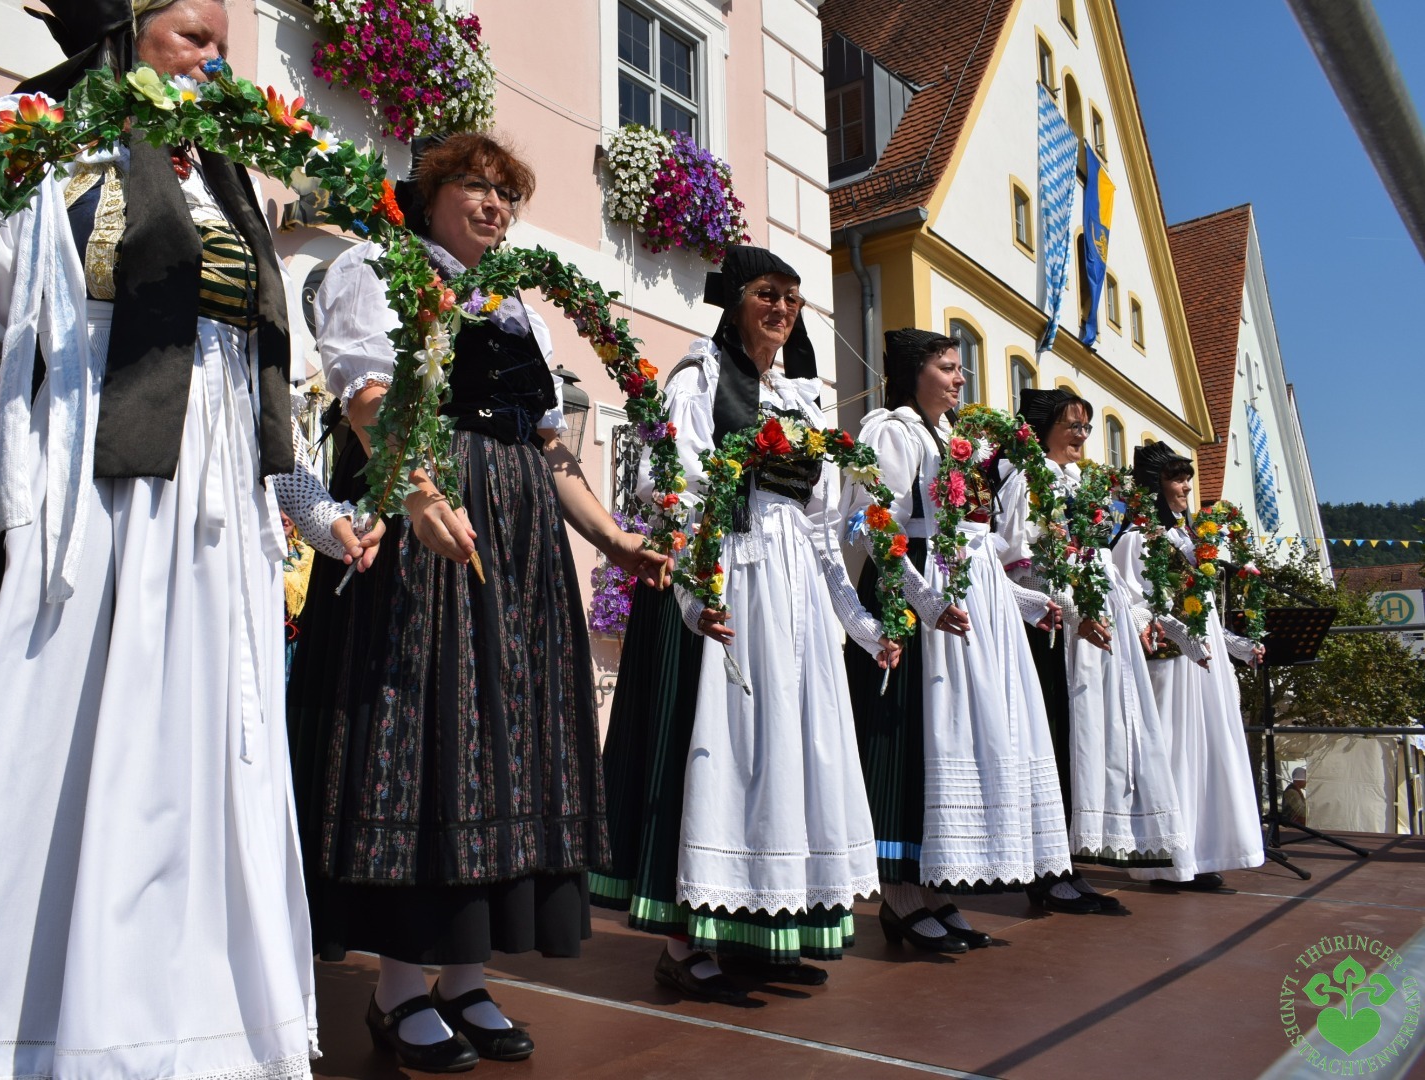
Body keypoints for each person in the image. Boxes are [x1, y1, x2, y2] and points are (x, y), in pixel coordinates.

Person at [0, 2, 322, 1077]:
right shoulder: (36, 130)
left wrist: (312, 506)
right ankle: (22, 1025)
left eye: (224, 39)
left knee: (195, 759)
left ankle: (190, 1027)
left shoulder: (227, 178)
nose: (217, 56)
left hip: (212, 515)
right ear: (124, 24)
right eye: (194, 33)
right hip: (97, 489)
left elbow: (249, 372)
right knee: (70, 744)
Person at [279, 133, 669, 1072]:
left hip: (520, 540)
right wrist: (421, 494)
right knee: (425, 734)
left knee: (504, 745)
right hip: (430, 518)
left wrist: (611, 537)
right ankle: (397, 987)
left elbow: (548, 447)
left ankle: (464, 974)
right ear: (428, 192)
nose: (494, 205)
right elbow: (368, 398)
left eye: (507, 193)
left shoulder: (514, 307)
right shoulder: (376, 268)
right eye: (475, 186)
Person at [593, 246, 896, 1003]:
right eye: (767, 293)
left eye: (791, 297)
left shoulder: (799, 400)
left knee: (786, 752)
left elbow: (820, 524)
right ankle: (683, 945)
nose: (782, 308)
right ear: (735, 302)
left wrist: (860, 624)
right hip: (724, 572)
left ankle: (763, 931)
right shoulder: (698, 377)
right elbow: (662, 483)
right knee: (714, 749)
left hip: (790, 590)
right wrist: (698, 589)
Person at [842, 328, 1071, 955]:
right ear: (913, 372)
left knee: (955, 738)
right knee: (911, 736)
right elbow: (872, 523)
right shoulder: (892, 431)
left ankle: (937, 890)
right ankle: (900, 897)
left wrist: (1026, 604)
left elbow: (976, 548)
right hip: (912, 593)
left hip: (959, 598)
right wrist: (922, 600)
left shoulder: (952, 439)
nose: (959, 378)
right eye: (947, 367)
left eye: (958, 367)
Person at [992, 389, 1187, 914]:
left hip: (1098, 622)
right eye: (1072, 425)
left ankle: (1069, 862)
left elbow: (1101, 558)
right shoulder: (1026, 481)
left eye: (1086, 426)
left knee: (1094, 738)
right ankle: (1045, 868)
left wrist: (1132, 615)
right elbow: (1016, 562)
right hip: (1053, 627)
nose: (1081, 435)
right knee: (1058, 738)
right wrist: (1072, 611)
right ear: (1044, 429)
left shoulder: (1082, 482)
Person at [1112, 442, 1266, 891]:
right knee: (1175, 750)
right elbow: (1135, 606)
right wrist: (1182, 636)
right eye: (1175, 479)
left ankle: (1200, 850)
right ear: (1153, 487)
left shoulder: (1188, 539)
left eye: (1187, 479)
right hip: (1171, 666)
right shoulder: (1137, 539)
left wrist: (1236, 646)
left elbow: (1206, 614)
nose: (1185, 488)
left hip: (1202, 663)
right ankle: (1168, 859)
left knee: (1207, 749)